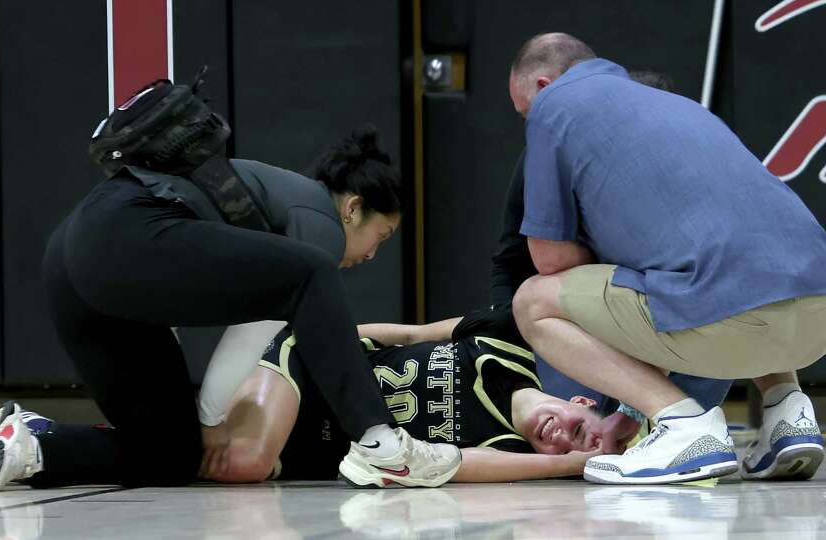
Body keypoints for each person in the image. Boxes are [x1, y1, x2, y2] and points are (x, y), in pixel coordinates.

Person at [0, 78, 460, 491]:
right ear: (353, 207)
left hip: (76, 256)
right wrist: (211, 418)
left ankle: (23, 447)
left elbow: (179, 285)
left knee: (170, 455)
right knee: (311, 274)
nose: (373, 253)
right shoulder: (319, 222)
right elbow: (260, 323)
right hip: (121, 235)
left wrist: (197, 427)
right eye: (382, 236)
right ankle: (382, 445)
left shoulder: (280, 208)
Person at [506, 32, 826, 484]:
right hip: (815, 320)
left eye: (523, 112)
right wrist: (629, 417)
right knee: (740, 258)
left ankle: (684, 428)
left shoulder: (554, 107)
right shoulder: (678, 107)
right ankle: (788, 413)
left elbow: (550, 258)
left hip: (731, 319)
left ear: (543, 86)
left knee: (534, 301)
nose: (527, 123)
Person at [483, 69, 733, 445]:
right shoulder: (553, 155)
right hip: (601, 321)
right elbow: (512, 260)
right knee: (574, 427)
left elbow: (679, 299)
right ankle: (783, 409)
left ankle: (687, 422)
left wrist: (632, 412)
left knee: (729, 286)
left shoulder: (675, 175)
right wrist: (506, 342)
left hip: (687, 321)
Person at [199, 309, 604, 485]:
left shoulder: (507, 452)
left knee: (206, 463)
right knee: (244, 463)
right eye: (580, 429)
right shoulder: (506, 343)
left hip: (308, 445)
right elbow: (414, 333)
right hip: (306, 366)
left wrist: (579, 464)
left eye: (570, 449)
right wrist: (328, 337)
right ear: (581, 401)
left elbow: (452, 465)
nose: (562, 437)